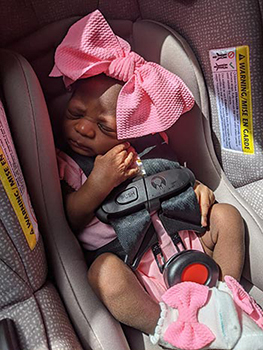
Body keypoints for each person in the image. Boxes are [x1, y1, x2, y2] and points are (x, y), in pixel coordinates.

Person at [51, 10, 263, 350]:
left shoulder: (149, 148)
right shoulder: (67, 164)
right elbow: (70, 218)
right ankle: (163, 328)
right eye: (74, 114)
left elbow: (180, 178)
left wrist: (198, 192)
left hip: (191, 247)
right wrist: (97, 184)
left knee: (227, 216)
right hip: (135, 271)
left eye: (103, 126)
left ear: (128, 129)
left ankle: (225, 294)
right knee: (102, 273)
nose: (83, 128)